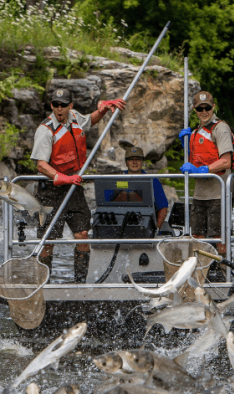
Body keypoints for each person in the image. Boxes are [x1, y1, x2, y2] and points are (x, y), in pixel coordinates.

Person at [31, 87, 126, 282]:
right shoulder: (45, 129)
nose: (59, 108)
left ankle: (80, 281)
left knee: (82, 233)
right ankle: (44, 283)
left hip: (73, 187)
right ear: (51, 106)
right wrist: (63, 178)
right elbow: (41, 165)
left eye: (63, 105)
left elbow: (90, 120)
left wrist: (103, 110)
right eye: (56, 105)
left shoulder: (74, 117)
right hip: (50, 189)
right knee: (48, 240)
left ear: (70, 106)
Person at [177, 90, 234, 258]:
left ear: (213, 107)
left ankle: (222, 272)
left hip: (219, 194)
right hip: (199, 195)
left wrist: (204, 169)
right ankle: (201, 271)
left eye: (207, 108)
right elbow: (195, 159)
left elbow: (226, 161)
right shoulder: (194, 133)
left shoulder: (220, 128)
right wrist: (186, 145)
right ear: (194, 110)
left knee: (218, 238)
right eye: (200, 109)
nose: (204, 112)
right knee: (197, 238)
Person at [123, 145, 169, 231]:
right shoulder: (116, 180)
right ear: (126, 163)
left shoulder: (153, 181)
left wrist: (156, 229)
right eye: (131, 159)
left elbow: (163, 207)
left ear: (142, 162)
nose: (134, 162)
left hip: (146, 226)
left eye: (138, 159)